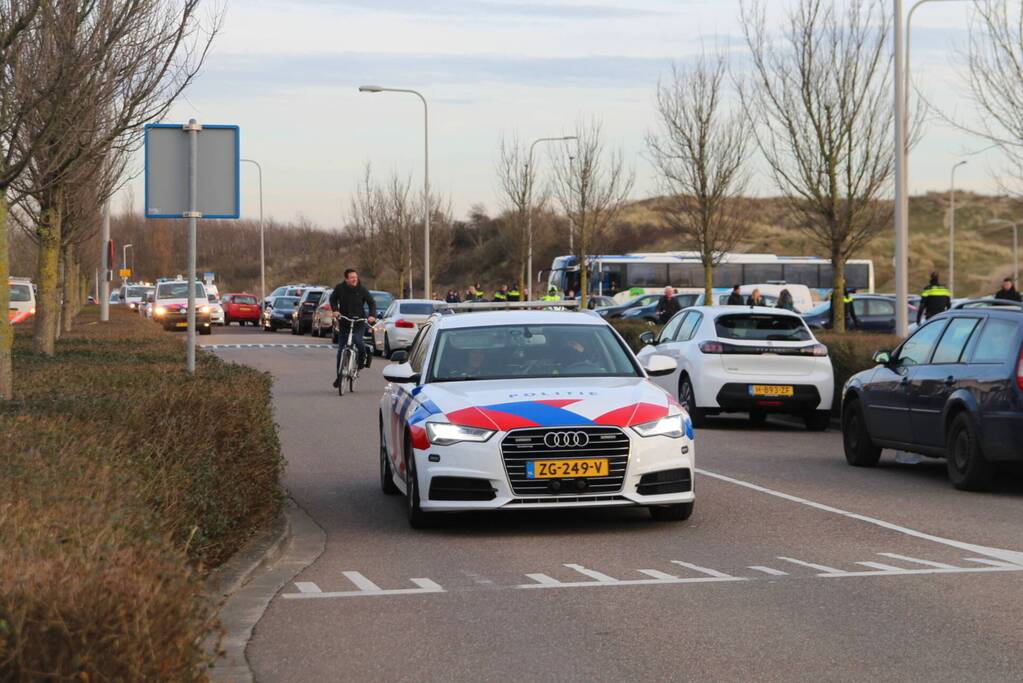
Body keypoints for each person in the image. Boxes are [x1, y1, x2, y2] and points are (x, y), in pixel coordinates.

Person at [329, 269, 376, 387]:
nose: (354, 279)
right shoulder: (340, 288)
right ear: (346, 279)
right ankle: (339, 376)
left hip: (359, 322)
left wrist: (372, 316)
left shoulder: (362, 289)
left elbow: (371, 303)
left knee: (358, 341)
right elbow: (332, 299)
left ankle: (360, 362)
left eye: (356, 277)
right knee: (341, 349)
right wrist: (335, 310)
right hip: (345, 321)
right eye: (351, 277)